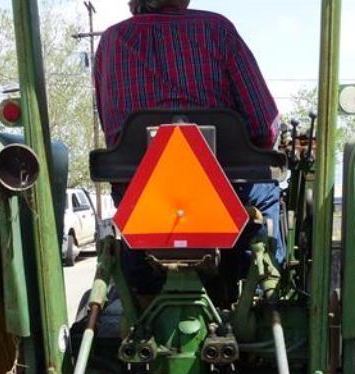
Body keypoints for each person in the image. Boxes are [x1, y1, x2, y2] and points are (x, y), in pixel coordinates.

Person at [94, 0, 285, 281]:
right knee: (268, 194)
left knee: (132, 202)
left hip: (143, 197)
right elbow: (263, 127)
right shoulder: (218, 30)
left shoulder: (110, 41)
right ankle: (265, 289)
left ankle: (141, 289)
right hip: (228, 194)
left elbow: (112, 131)